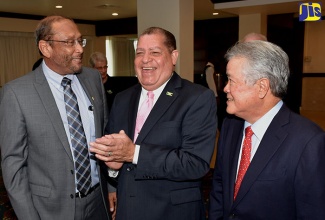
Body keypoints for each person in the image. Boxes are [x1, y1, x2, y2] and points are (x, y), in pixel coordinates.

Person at [89, 27, 218, 220]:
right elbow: (114, 160)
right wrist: (112, 168)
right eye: (140, 52)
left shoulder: (197, 98)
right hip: (128, 210)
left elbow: (195, 164)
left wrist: (134, 153)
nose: (145, 59)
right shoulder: (122, 99)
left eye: (155, 52)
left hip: (172, 213)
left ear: (174, 56)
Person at [0, 15, 111, 220]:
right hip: (51, 210)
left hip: (98, 201)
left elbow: (105, 136)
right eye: (70, 42)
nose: (79, 49)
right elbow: (13, 167)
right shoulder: (16, 93)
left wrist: (112, 187)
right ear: (46, 48)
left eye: (80, 40)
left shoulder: (93, 79)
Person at [209, 41, 325, 219]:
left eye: (231, 80)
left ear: (262, 87)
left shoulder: (308, 141)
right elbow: (220, 186)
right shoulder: (230, 125)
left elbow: (312, 211)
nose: (225, 88)